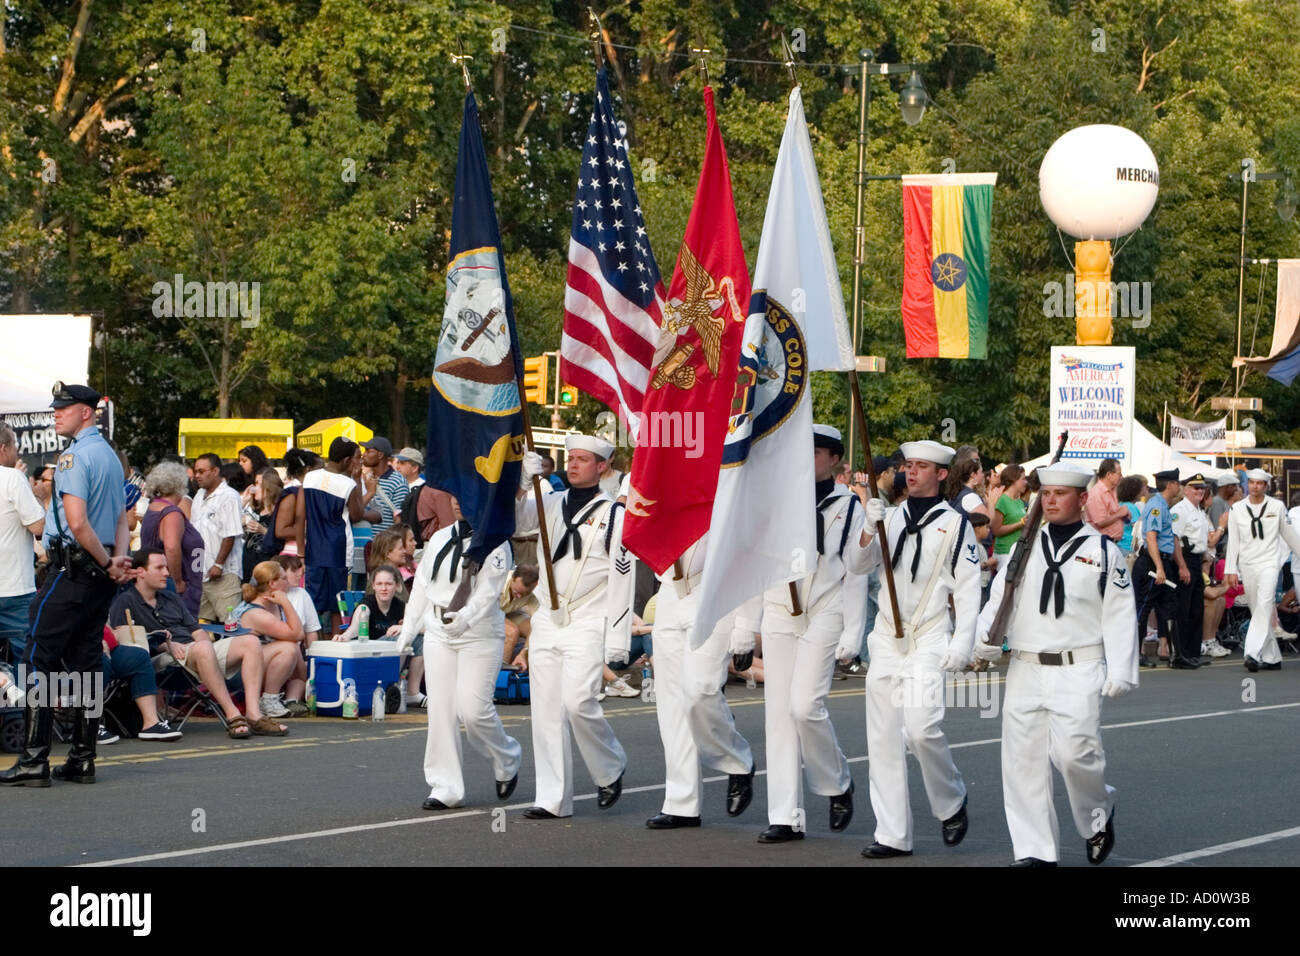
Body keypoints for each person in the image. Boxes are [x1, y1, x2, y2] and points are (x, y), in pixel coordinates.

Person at [973, 461, 1137, 866]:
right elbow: (1000, 598)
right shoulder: (1023, 549)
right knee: (1022, 761)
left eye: (1059, 494)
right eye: (1044, 493)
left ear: (1082, 499)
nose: (1049, 500)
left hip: (1078, 665)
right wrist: (983, 641)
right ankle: (1035, 851)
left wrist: (1120, 669)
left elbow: (1119, 612)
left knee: (1076, 755)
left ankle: (1097, 814)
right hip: (1027, 665)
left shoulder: (1103, 551)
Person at [848, 438, 978, 859]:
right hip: (886, 636)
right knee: (883, 737)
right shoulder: (890, 516)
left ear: (941, 474)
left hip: (927, 635)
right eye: (908, 465)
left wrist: (963, 643)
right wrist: (869, 528)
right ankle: (892, 834)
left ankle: (951, 799)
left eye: (922, 466)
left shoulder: (956, 525)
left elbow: (970, 589)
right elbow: (858, 566)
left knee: (921, 729)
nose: (911, 472)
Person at [732, 425, 861, 844]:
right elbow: (753, 564)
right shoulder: (775, 500)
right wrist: (743, 629)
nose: (809, 457)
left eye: (819, 451)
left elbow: (859, 570)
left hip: (824, 608)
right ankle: (786, 816)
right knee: (779, 715)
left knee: (806, 706)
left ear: (835, 459)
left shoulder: (848, 504)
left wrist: (854, 632)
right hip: (777, 608)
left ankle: (836, 782)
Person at [1, 383, 131, 788]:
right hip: (99, 573)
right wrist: (116, 561)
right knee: (86, 663)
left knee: (38, 657)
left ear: (86, 413)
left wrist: (107, 560)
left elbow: (76, 522)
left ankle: (34, 760)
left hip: (72, 571)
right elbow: (123, 518)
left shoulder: (74, 456)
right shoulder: (108, 455)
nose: (56, 414)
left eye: (64, 408)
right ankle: (82, 758)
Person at [516, 435, 634, 819]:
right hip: (549, 615)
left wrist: (618, 639)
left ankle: (609, 766)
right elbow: (516, 521)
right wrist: (521, 481)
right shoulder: (549, 501)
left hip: (588, 617)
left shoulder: (615, 514)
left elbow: (622, 577)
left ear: (602, 466)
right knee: (546, 710)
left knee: (578, 702)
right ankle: (552, 798)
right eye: (571, 459)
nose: (574, 465)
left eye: (583, 460)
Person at [396, 500, 522, 809]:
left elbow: (488, 592)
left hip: (478, 632)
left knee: (474, 711)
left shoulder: (495, 542)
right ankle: (445, 786)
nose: (456, 501)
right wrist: (409, 630)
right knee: (440, 709)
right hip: (439, 629)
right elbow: (423, 587)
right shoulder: (439, 538)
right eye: (454, 494)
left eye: (465, 495)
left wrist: (464, 618)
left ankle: (506, 756)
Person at [643, 530, 757, 831]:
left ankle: (737, 759)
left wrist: (745, 626)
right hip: (669, 589)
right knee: (671, 704)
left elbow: (748, 553)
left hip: (714, 591)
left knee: (700, 690)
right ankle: (681, 804)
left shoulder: (730, 484)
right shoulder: (664, 482)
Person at [109, 549, 286, 738]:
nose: (167, 573)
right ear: (141, 572)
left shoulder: (171, 598)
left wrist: (206, 646)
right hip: (161, 658)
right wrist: (165, 644)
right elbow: (127, 641)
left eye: (166, 567)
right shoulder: (125, 602)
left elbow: (197, 630)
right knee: (201, 648)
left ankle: (253, 714)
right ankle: (233, 714)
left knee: (250, 641)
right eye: (159, 568)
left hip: (195, 651)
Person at [1226, 468, 1300, 671]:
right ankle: (1272, 656)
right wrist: (1230, 569)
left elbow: (1290, 536)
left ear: (1266, 486)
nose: (1255, 486)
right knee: (1257, 608)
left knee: (1264, 603)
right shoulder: (1237, 509)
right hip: (1247, 564)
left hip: (1269, 563)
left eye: (1259, 483)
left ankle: (1251, 651)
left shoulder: (1276, 506)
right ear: (1247, 485)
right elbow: (1233, 542)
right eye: (1251, 482)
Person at [229, 561, 308, 719]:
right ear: (272, 583)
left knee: (294, 650)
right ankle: (269, 700)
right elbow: (297, 634)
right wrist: (286, 602)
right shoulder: (255, 612)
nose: (287, 581)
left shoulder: (273, 605)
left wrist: (301, 675)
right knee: (289, 648)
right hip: (237, 672)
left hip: (260, 664)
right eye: (284, 578)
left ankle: (291, 700)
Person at [1131, 469, 1190, 668]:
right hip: (1152, 563)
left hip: (1163, 562)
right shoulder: (1156, 506)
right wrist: (1159, 568)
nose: (1179, 486)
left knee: (1170, 607)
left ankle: (1177, 655)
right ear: (1171, 485)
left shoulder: (1163, 505)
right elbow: (1151, 538)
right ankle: (1135, 654)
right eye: (1177, 483)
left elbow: (1169, 539)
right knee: (1143, 608)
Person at [302, 438, 364, 624]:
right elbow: (357, 514)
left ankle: (312, 644)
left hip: (314, 548)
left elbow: (301, 514)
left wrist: (300, 549)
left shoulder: (310, 477)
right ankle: (337, 642)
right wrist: (358, 480)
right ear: (347, 461)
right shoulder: (348, 484)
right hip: (339, 549)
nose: (359, 462)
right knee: (340, 603)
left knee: (313, 603)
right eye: (357, 458)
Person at [0, 423, 45, 662]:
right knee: (25, 660)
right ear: (3, 448)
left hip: (11, 589)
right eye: (15, 446)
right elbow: (38, 526)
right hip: (12, 590)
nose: (17, 452)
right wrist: (37, 497)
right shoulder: (12, 477)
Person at [139, 461, 205, 619]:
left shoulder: (154, 507)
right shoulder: (171, 513)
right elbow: (171, 547)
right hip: (177, 589)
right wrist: (177, 581)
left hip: (161, 584)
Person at [191, 453, 245, 623]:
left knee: (229, 623)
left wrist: (218, 564)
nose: (197, 475)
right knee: (201, 623)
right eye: (195, 471)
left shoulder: (229, 496)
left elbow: (230, 533)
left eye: (201, 471)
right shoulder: (199, 495)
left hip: (224, 573)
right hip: (200, 571)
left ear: (215, 471)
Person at [1171, 475, 1214, 667]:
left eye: (1202, 489)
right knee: (1184, 609)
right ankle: (1182, 654)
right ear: (1186, 490)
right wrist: (1182, 566)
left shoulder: (1199, 510)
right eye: (1195, 488)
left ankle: (1193, 652)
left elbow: (1201, 539)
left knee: (1197, 608)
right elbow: (1175, 540)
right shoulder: (1180, 511)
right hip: (1185, 560)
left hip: (1196, 560)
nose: (1199, 492)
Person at [336, 565, 405, 640]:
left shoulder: (400, 605)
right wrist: (345, 636)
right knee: (399, 638)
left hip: (391, 648)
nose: (383, 588)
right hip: (370, 646)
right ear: (373, 586)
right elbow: (355, 628)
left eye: (388, 584)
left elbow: (418, 626)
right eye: (379, 584)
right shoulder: (366, 605)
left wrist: (403, 628)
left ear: (397, 585)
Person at [273, 447, 318, 558]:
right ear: (308, 469)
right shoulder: (292, 494)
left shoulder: (310, 490)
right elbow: (280, 531)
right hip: (294, 556)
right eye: (320, 468)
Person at [360, 437, 404, 534]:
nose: (364, 455)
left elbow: (399, 519)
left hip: (384, 544)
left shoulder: (398, 482)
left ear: (380, 455)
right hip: (363, 542)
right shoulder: (363, 478)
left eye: (368, 451)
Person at [500, 564, 539, 671]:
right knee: (512, 632)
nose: (519, 597)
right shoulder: (498, 582)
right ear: (513, 578)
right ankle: (502, 677)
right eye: (516, 592)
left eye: (524, 594)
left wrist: (524, 653)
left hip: (508, 612)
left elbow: (539, 620)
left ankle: (521, 660)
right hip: (487, 612)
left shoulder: (534, 591)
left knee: (535, 626)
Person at [1085, 458, 1128, 542]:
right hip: (1101, 542)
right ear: (1109, 475)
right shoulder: (1097, 493)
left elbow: (1112, 514)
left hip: (1112, 541)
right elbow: (1100, 522)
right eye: (1119, 474)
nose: (1121, 477)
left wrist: (1124, 515)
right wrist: (1120, 514)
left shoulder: (1112, 490)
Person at [991, 465, 1029, 556]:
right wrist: (1020, 523)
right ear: (1014, 480)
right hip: (1004, 552)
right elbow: (996, 530)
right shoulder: (1002, 501)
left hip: (1017, 552)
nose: (1026, 482)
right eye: (1023, 479)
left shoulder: (1019, 502)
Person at [1115, 475, 1146, 559]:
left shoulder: (1121, 504)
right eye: (1141, 489)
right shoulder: (1131, 507)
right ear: (1135, 491)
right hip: (1128, 547)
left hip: (1120, 544)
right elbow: (1138, 528)